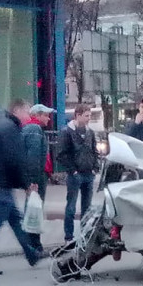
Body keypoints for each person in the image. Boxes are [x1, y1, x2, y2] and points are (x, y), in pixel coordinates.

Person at [0, 99, 42, 277]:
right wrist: (26, 184)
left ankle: (31, 254)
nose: (29, 115)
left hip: (0, 182)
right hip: (2, 184)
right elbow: (14, 160)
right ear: (17, 110)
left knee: (16, 221)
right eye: (27, 111)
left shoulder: (3, 126)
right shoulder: (10, 129)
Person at [57, 104, 99, 243]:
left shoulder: (90, 132)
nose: (88, 119)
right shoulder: (67, 132)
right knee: (71, 206)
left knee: (87, 208)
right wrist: (72, 170)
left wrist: (95, 167)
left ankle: (84, 235)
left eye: (89, 116)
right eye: (86, 116)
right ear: (78, 115)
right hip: (75, 174)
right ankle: (68, 237)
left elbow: (95, 151)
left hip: (88, 173)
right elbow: (61, 154)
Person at [22, 104, 55, 254]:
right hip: (37, 176)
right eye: (46, 115)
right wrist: (34, 180)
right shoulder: (35, 130)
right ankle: (33, 244)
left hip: (36, 175)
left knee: (33, 207)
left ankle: (32, 243)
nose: (48, 118)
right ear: (38, 115)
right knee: (34, 209)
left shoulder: (32, 129)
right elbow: (34, 157)